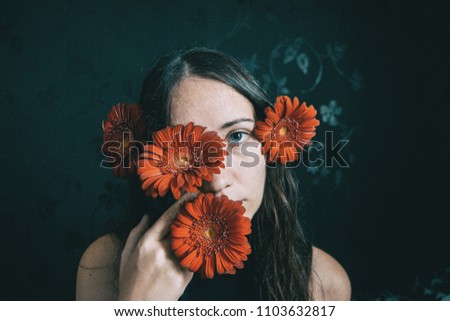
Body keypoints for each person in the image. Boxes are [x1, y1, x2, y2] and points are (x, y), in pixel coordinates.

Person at [76, 47, 351, 301]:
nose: (217, 182)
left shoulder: (323, 281)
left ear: (271, 143)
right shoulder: (104, 265)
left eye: (237, 136)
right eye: (186, 153)